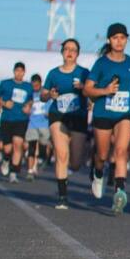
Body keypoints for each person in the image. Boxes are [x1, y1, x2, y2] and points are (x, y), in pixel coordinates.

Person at [84, 23, 130, 215]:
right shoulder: (101, 63)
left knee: (121, 151)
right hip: (103, 113)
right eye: (115, 38)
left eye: (122, 38)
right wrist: (105, 91)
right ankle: (98, 173)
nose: (119, 41)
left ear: (127, 40)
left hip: (125, 114)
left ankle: (119, 193)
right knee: (103, 155)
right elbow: (87, 89)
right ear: (109, 40)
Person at [44, 38, 90, 209]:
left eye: (73, 50)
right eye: (67, 49)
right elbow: (42, 95)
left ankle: (80, 169)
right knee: (61, 154)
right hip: (58, 115)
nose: (70, 52)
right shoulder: (53, 74)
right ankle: (62, 196)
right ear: (62, 52)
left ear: (77, 54)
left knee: (76, 163)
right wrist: (50, 94)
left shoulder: (84, 72)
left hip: (78, 116)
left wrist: (83, 88)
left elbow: (93, 91)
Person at [0, 62, 34, 184]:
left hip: (21, 119)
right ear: (14, 71)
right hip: (7, 119)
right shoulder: (5, 83)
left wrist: (28, 106)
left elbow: (31, 99)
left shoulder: (28, 86)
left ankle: (13, 173)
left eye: (21, 71)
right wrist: (4, 104)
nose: (19, 73)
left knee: (18, 144)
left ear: (24, 72)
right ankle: (5, 160)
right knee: (7, 148)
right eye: (17, 71)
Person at [24, 74, 51, 180]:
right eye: (33, 84)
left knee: (43, 146)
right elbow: (26, 106)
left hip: (44, 124)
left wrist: (49, 113)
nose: (35, 86)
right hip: (32, 124)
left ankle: (43, 159)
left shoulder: (45, 93)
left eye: (37, 84)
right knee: (31, 147)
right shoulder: (30, 94)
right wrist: (26, 109)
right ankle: (30, 170)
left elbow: (51, 104)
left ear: (40, 83)